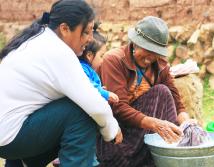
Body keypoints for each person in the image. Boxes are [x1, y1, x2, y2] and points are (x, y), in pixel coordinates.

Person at [0, 0, 122, 167]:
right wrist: (113, 130)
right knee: (82, 112)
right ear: (64, 29)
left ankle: (20, 163)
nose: (90, 39)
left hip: (7, 134)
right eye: (86, 32)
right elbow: (95, 105)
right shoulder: (58, 52)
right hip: (10, 138)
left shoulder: (39, 39)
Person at [96, 16, 197, 167]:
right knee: (159, 93)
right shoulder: (115, 60)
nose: (151, 57)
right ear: (135, 43)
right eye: (147, 50)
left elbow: (176, 101)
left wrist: (187, 124)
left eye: (155, 52)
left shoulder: (160, 65)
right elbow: (118, 107)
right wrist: (155, 124)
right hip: (115, 136)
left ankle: (170, 151)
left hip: (140, 132)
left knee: (162, 92)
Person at [52, 22, 120, 167]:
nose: (103, 61)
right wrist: (104, 93)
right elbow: (88, 88)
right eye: (101, 55)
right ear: (89, 55)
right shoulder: (81, 69)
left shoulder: (87, 69)